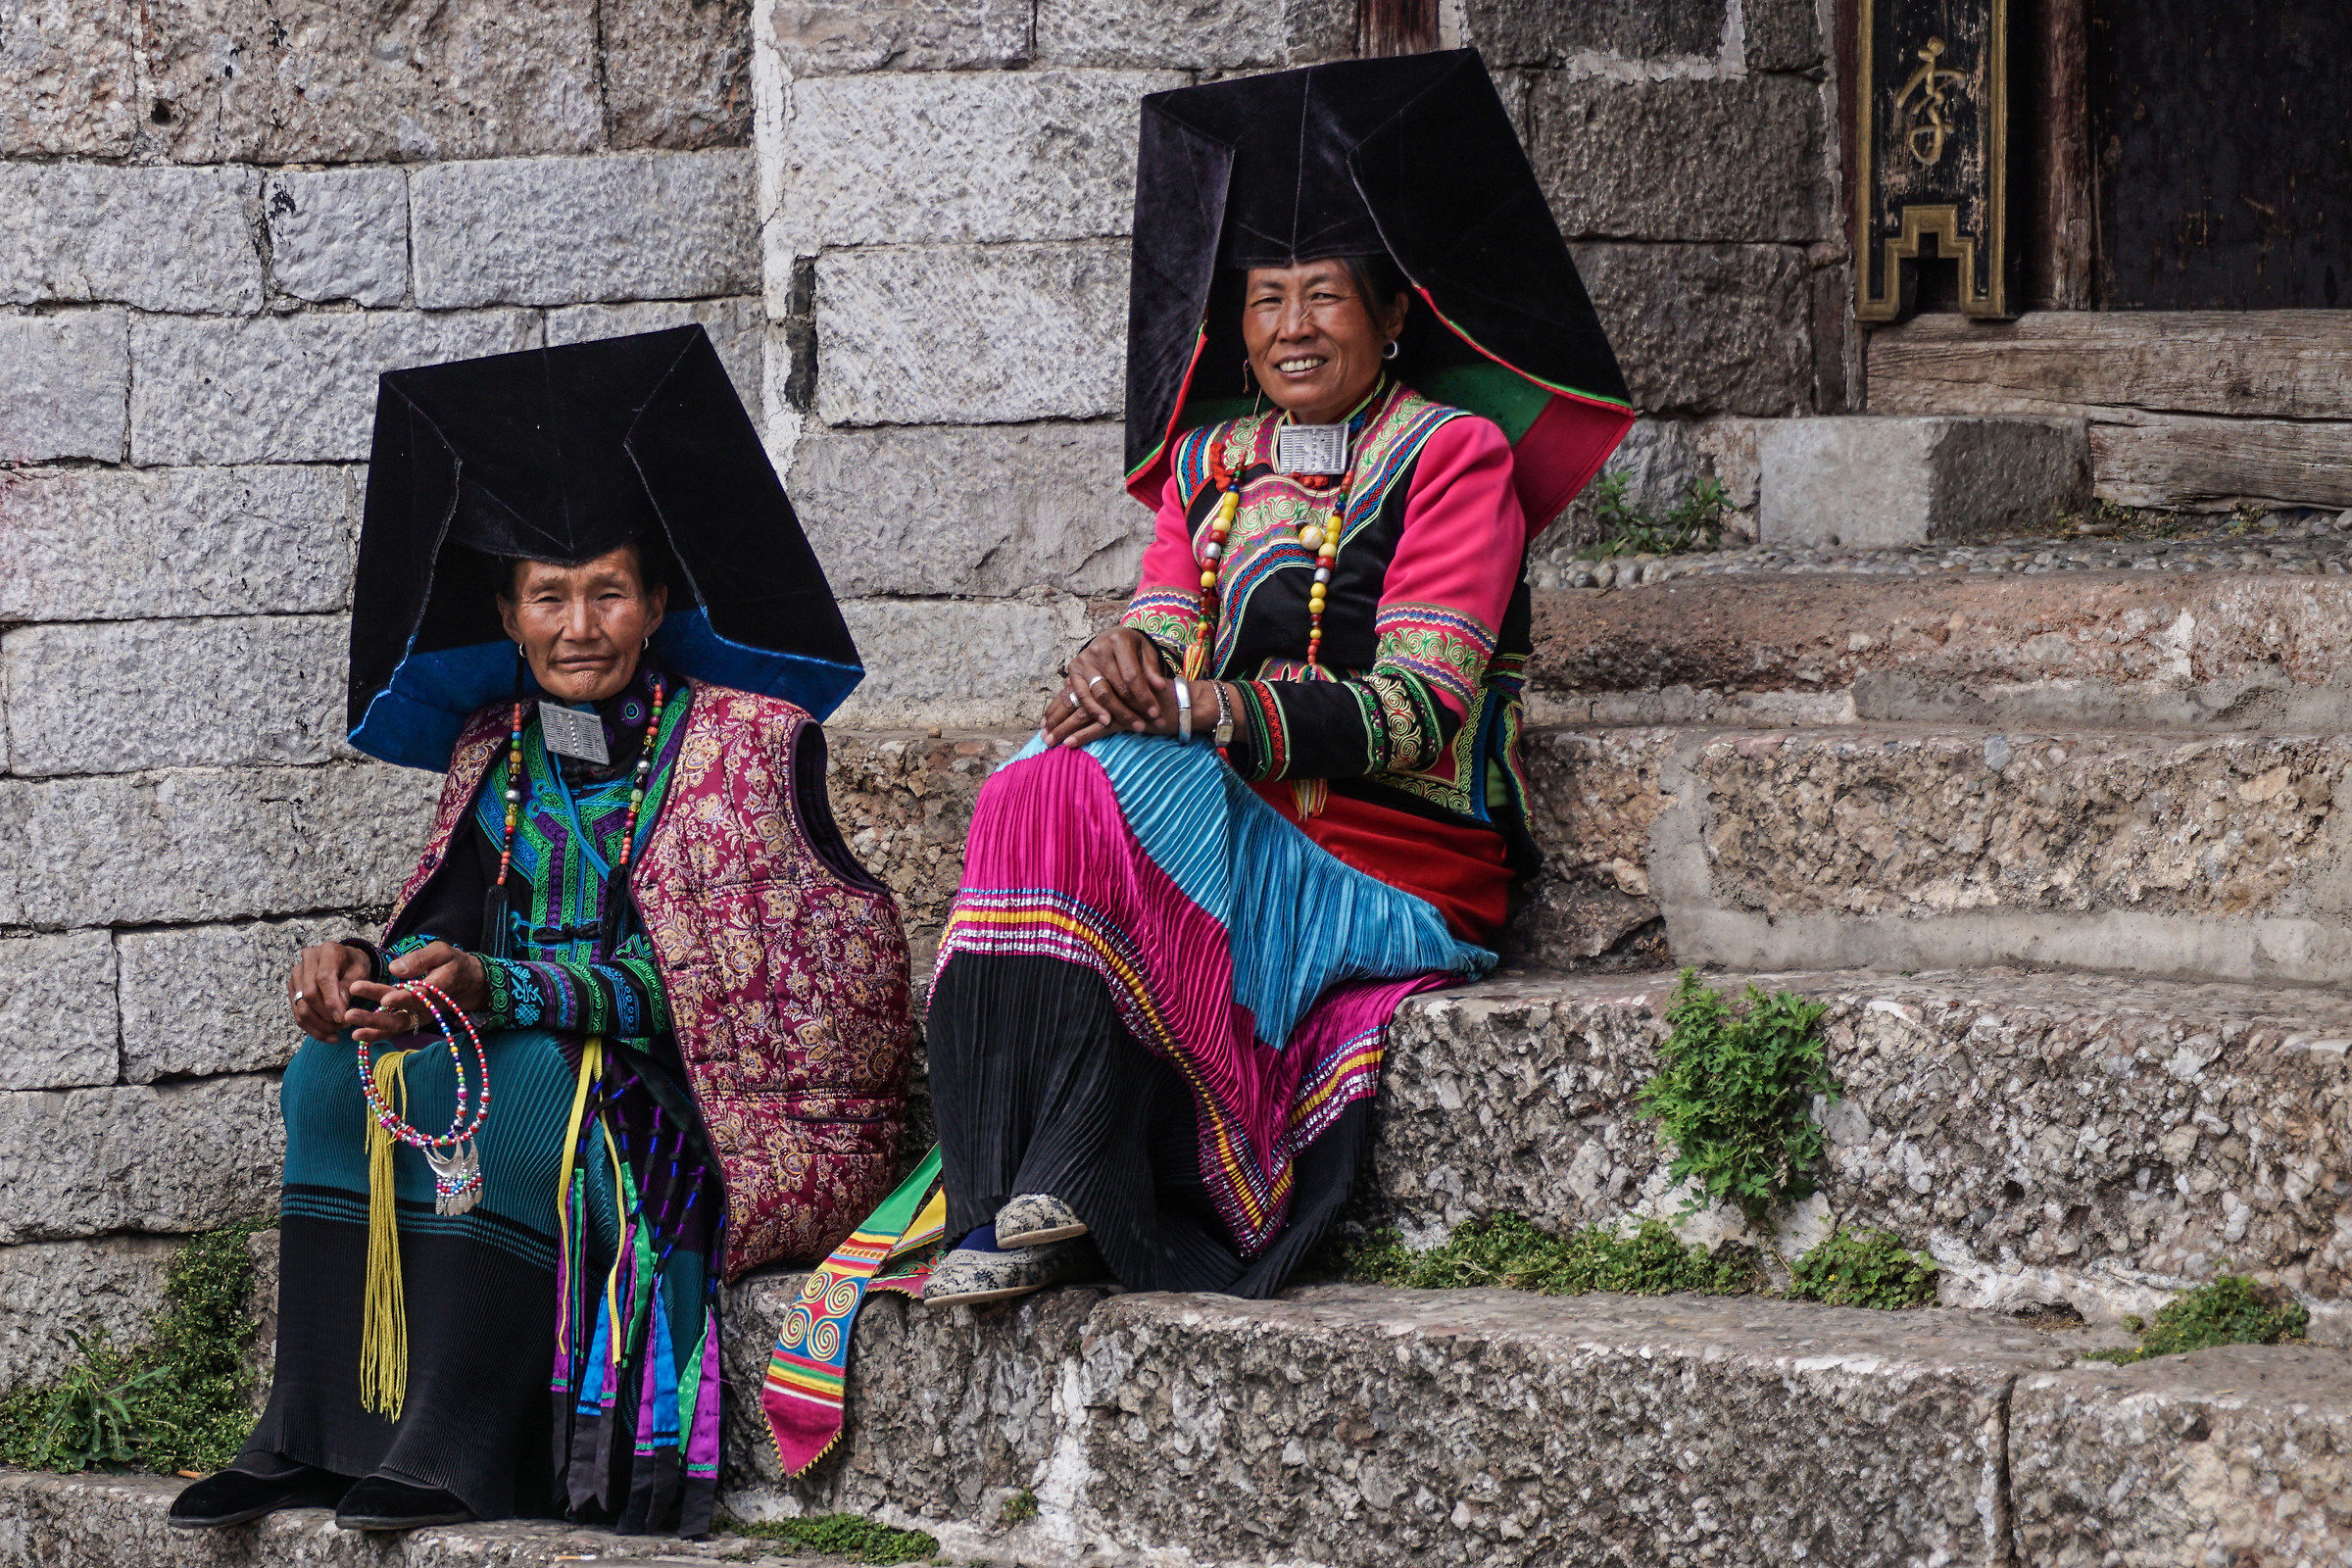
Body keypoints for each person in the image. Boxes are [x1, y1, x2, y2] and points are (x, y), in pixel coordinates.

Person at [916, 51, 1637, 1304]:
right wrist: (1115, 668)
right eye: (1264, 300)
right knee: (1037, 778)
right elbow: (1158, 629)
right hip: (1230, 822)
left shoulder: (1452, 456)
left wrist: (1201, 708)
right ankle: (1016, 1186)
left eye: (1323, 296)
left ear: (1392, 313)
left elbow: (1420, 707)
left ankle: (1095, 1174)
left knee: (1116, 783)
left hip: (1396, 852)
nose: (1293, 326)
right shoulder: (1207, 464)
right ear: (1238, 328)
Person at [169, 327, 913, 1537]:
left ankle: (460, 1448)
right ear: (509, 616)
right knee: (324, 1074)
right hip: (517, 1046)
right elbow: (441, 930)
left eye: (608, 591)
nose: (581, 625)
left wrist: (504, 991)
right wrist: (362, 972)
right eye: (549, 597)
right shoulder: (494, 749)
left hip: (689, 1103)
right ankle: (306, 1430)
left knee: (523, 1080)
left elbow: (731, 992)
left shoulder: (750, 747)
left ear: (656, 604)